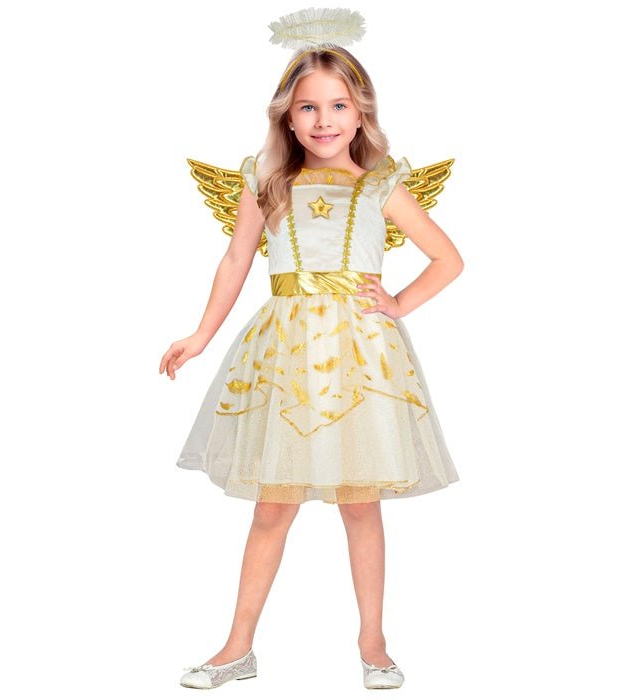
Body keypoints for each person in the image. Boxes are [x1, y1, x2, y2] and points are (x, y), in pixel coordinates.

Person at [159, 7, 463, 691]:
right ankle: (237, 647)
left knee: (360, 503)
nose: (324, 120)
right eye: (308, 107)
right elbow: (236, 260)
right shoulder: (265, 181)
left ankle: (373, 644)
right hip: (286, 356)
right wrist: (200, 335)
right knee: (273, 505)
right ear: (288, 118)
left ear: (360, 114)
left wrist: (397, 302)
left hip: (359, 358)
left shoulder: (381, 185)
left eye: (338, 106)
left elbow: (447, 258)